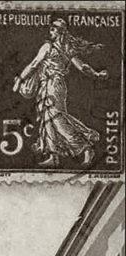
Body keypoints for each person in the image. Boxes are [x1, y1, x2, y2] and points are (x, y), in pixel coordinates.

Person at [13, 18, 109, 168]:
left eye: (53, 29)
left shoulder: (48, 47)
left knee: (56, 118)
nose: (50, 32)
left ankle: (85, 147)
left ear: (60, 32)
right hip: (51, 85)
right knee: (47, 119)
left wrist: (20, 79)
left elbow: (34, 65)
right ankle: (53, 156)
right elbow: (82, 66)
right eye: (50, 29)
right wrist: (96, 74)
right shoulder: (67, 49)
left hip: (53, 85)